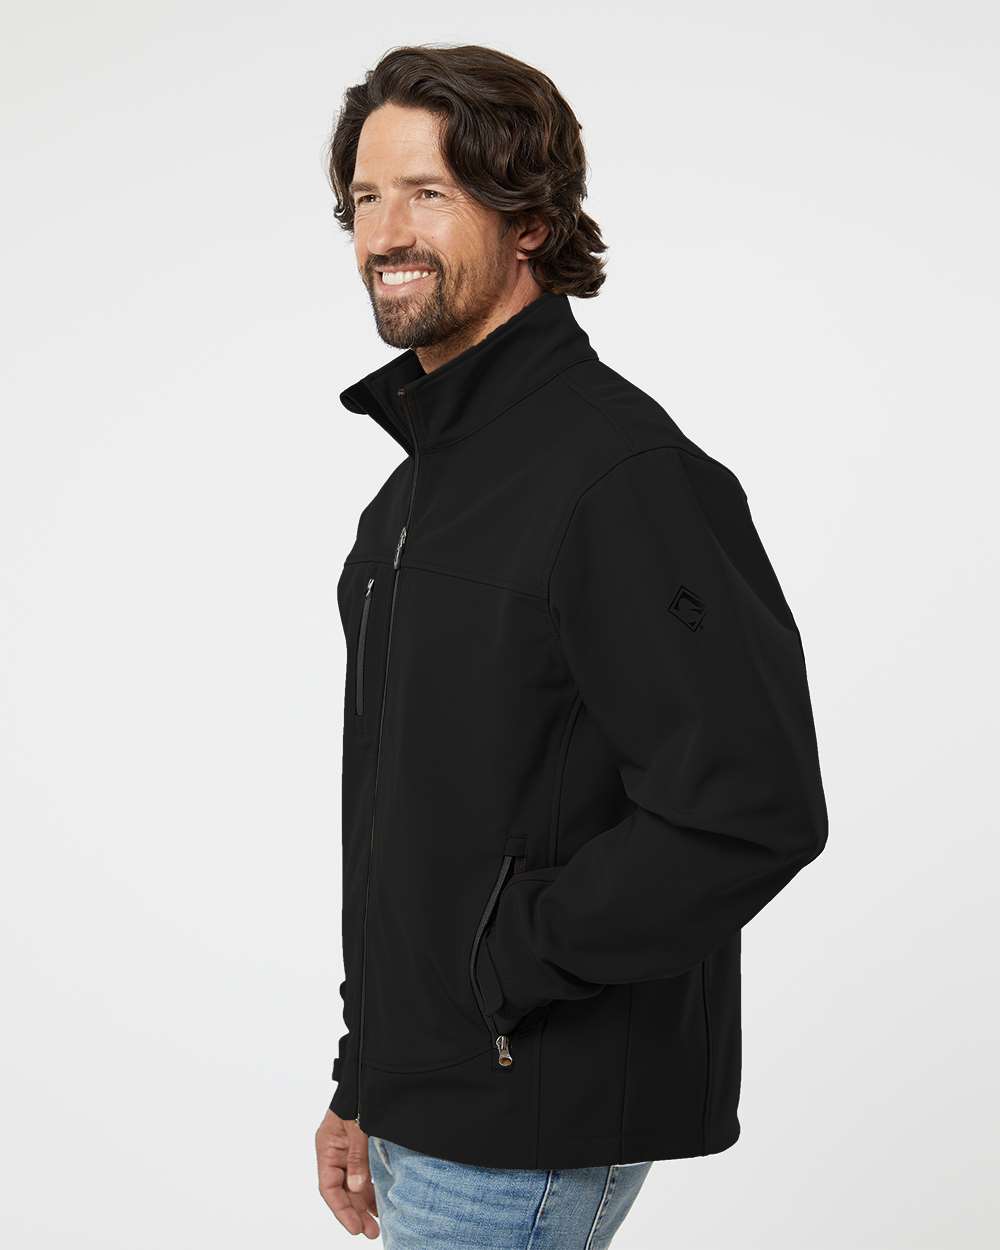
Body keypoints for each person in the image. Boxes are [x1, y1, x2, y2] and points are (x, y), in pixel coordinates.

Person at [314, 43, 828, 1248]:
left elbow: (750, 805)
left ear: (530, 221)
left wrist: (504, 968)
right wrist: (364, 1069)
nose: (386, 231)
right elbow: (410, 817)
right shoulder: (414, 500)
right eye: (368, 196)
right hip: (427, 1092)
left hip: (524, 1112)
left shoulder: (621, 477)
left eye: (429, 193)